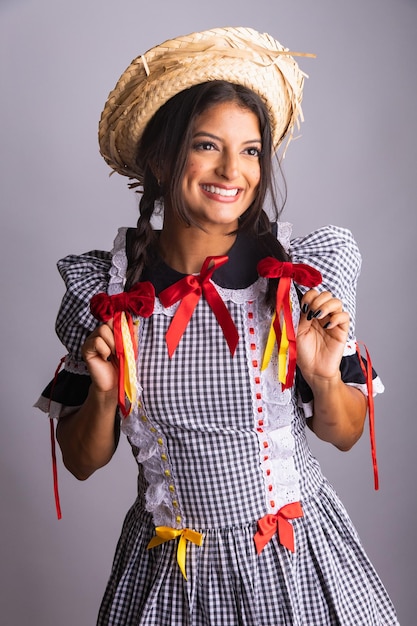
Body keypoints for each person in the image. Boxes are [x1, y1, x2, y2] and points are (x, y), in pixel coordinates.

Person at [35, 26, 399, 625]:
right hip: (171, 575)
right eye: (207, 145)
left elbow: (344, 433)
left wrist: (324, 375)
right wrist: (104, 391)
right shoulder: (105, 294)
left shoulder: (295, 280)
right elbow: (80, 461)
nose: (233, 170)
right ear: (159, 156)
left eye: (251, 150)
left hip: (291, 563)